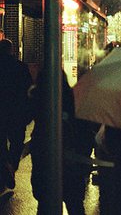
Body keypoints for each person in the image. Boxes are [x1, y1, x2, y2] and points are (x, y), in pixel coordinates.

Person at [29, 70, 95, 215]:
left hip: (43, 155)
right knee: (75, 204)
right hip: (70, 157)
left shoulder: (37, 98)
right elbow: (85, 131)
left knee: (45, 204)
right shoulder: (73, 99)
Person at [0, 39, 33, 196]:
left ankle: (5, 165)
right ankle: (11, 165)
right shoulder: (21, 68)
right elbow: (29, 91)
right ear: (11, 50)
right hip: (16, 113)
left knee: (1, 143)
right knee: (17, 143)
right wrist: (28, 113)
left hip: (2, 112)